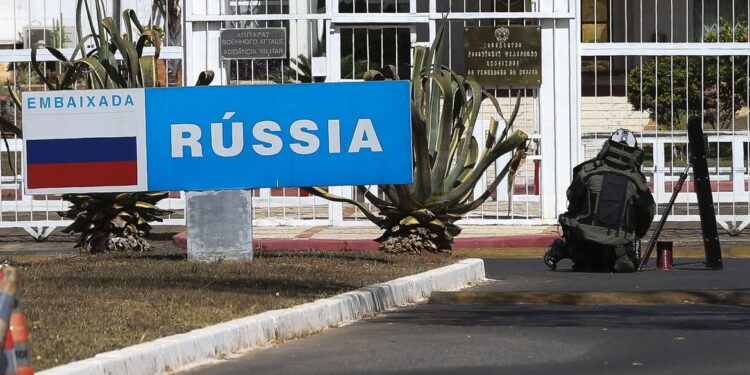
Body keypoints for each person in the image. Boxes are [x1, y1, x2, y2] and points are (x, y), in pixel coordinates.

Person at [544, 129, 655, 272]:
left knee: (583, 257)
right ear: (633, 152)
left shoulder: (588, 171)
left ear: (608, 146)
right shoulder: (637, 181)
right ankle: (620, 252)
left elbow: (572, 197)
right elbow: (647, 212)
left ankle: (562, 250)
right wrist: (636, 233)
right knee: (627, 263)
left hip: (584, 238)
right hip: (618, 239)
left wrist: (577, 215)